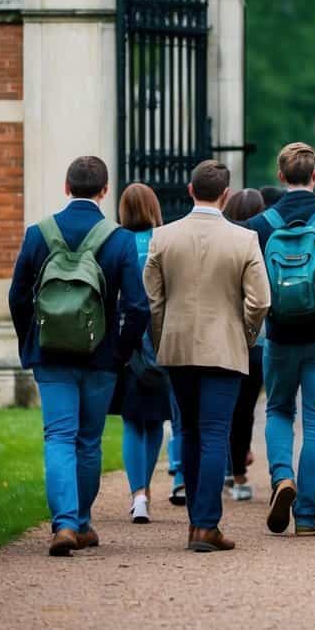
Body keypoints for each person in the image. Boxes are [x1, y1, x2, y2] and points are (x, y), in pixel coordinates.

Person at [9, 156, 149, 556]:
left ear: (66, 187)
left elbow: (17, 296)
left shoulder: (38, 233)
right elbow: (137, 307)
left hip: (50, 354)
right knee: (88, 440)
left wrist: (29, 340)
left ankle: (64, 524)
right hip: (100, 355)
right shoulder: (118, 239)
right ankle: (82, 522)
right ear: (105, 191)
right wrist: (120, 352)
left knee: (57, 437)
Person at [144, 160, 269, 552]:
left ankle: (197, 523)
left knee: (192, 431)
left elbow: (154, 300)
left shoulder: (162, 236)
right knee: (215, 432)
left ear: (189, 189)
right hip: (225, 346)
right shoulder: (244, 239)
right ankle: (206, 524)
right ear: (226, 195)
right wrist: (245, 333)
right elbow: (261, 301)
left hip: (178, 345)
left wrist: (165, 335)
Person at [245, 142, 315, 537]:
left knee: (277, 410)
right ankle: (307, 514)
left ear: (280, 176)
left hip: (279, 334)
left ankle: (281, 478)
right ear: (314, 176)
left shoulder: (259, 225)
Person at [117, 183, 172, 524]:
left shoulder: (115, 242)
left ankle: (138, 493)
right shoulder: (163, 241)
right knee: (154, 420)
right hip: (162, 338)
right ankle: (146, 489)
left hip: (127, 339)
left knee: (131, 420)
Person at [223, 188, 267, 501]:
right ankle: (238, 473)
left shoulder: (223, 240)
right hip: (255, 338)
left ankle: (225, 468)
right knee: (245, 409)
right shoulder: (260, 240)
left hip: (221, 332)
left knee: (220, 406)